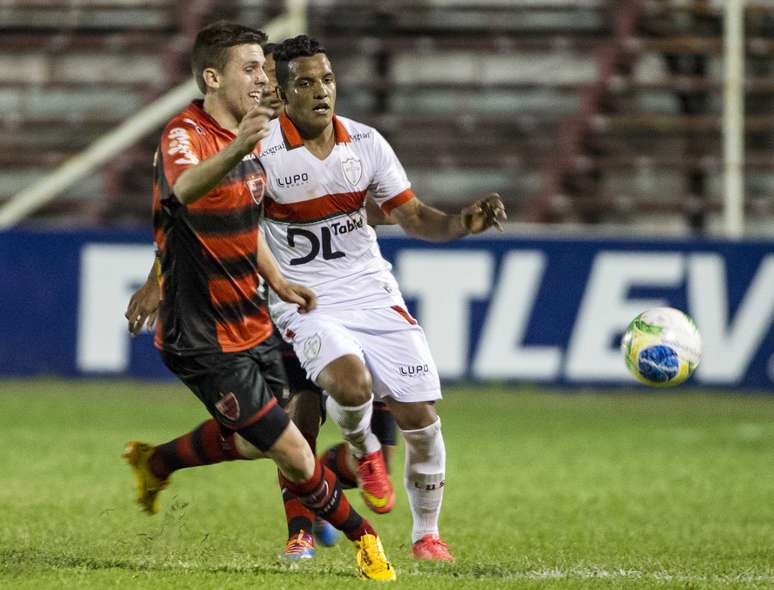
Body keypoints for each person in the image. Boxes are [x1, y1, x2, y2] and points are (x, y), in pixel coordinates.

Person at [122, 21, 395, 581]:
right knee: (294, 451)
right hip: (200, 334)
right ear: (212, 77)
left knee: (261, 442)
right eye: (251, 68)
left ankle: (157, 461)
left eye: (264, 69)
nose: (262, 78)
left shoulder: (253, 138)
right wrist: (242, 145)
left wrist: (279, 278)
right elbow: (186, 189)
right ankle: (364, 540)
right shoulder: (187, 133)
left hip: (250, 315)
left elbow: (245, 226)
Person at [258, 35, 506, 561]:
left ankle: (426, 537)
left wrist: (463, 223)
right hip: (303, 298)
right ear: (282, 95)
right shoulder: (261, 153)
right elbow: (227, 224)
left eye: (327, 79)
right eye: (305, 82)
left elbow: (412, 216)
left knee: (421, 419)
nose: (321, 91)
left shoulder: (367, 143)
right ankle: (362, 451)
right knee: (345, 386)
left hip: (371, 291)